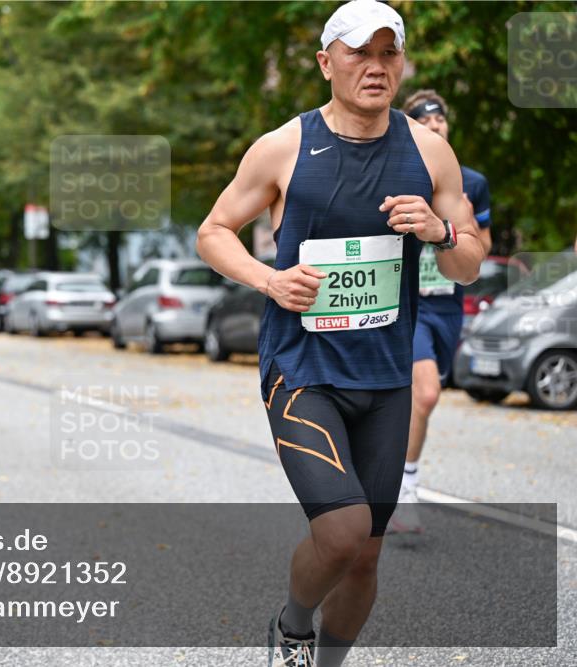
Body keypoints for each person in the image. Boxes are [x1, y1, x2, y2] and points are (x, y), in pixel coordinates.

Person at [195, 2, 484, 665]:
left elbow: (466, 264)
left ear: (402, 63)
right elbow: (213, 232)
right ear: (327, 62)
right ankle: (293, 624)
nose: (376, 66)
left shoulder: (430, 151)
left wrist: (441, 232)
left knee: (364, 556)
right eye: (359, 52)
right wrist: (268, 280)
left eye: (389, 52)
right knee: (345, 529)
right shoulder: (283, 148)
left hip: (386, 378)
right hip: (303, 370)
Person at [389, 90, 493, 534]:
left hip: (448, 305)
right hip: (406, 304)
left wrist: (457, 227)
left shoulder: (470, 183)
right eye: (425, 122)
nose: (436, 127)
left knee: (418, 400)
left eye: (441, 120)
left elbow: (482, 252)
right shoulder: (398, 175)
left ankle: (393, 477)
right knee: (425, 393)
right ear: (411, 128)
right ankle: (406, 488)